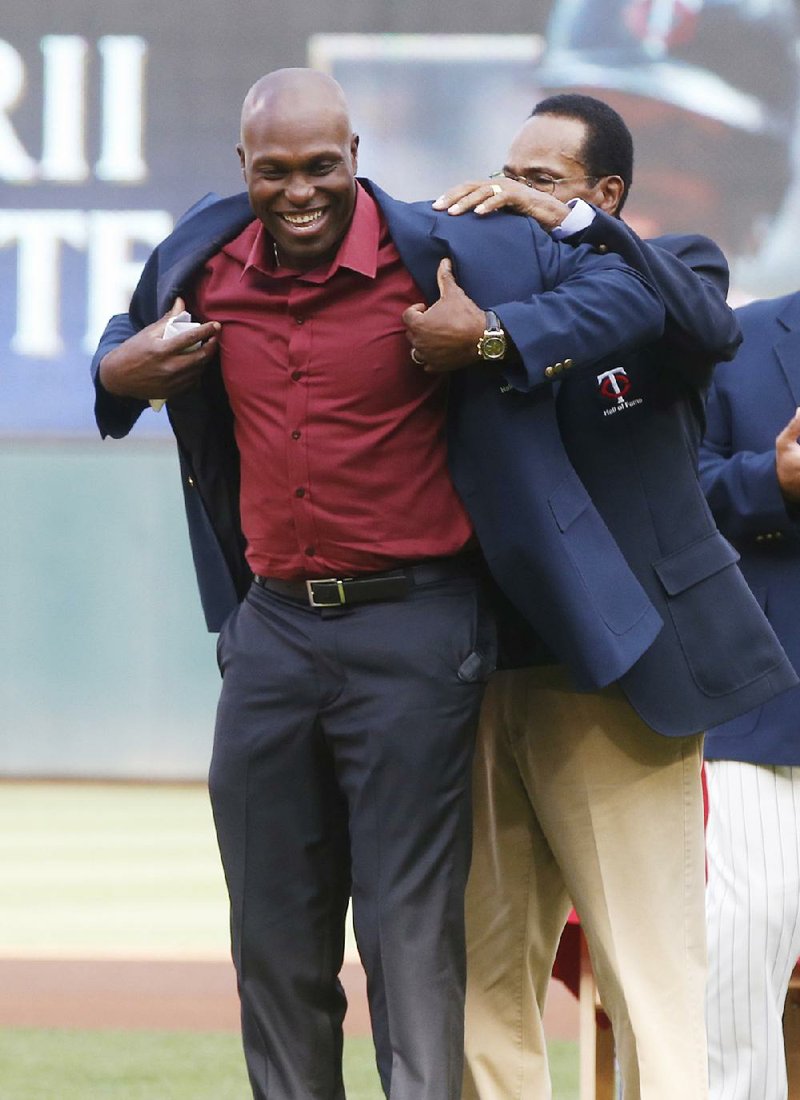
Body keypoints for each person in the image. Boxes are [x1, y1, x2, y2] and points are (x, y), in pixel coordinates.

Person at [90, 69, 670, 1100]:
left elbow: (632, 298)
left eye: (321, 165)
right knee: (273, 941)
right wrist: (112, 373)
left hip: (415, 629)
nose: (299, 189)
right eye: (275, 171)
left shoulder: (449, 250)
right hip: (270, 632)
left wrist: (489, 335)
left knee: (407, 941)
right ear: (243, 170)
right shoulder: (205, 254)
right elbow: (125, 341)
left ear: (356, 154)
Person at [430, 93, 797, 1100]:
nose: (511, 195)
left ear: (606, 193)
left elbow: (694, 320)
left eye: (541, 180)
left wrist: (563, 242)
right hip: (488, 668)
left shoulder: (672, 268)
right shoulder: (458, 277)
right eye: (508, 172)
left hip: (624, 679)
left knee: (656, 981)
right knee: (479, 981)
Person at [699, 293, 800, 1100]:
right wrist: (775, 479)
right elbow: (676, 492)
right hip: (769, 700)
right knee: (744, 938)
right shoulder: (743, 336)